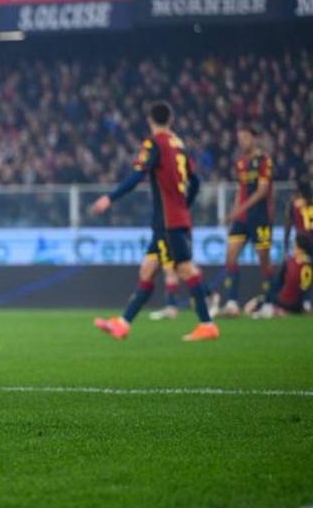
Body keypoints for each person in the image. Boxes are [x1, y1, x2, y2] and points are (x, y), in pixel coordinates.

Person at [90, 101, 218, 341]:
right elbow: (196, 182)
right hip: (171, 218)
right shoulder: (178, 145)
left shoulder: (154, 143)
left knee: (184, 268)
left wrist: (110, 197)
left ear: (150, 120)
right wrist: (184, 205)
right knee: (148, 270)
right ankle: (123, 323)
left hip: (168, 221)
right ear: (170, 119)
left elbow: (138, 174)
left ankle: (207, 323)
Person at [212, 124, 274, 317]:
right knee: (230, 256)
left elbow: (262, 191)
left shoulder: (264, 160)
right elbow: (241, 190)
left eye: (245, 138)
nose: (242, 142)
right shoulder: (240, 162)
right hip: (242, 219)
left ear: (254, 138)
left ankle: (269, 303)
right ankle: (232, 303)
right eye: (239, 139)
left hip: (260, 217)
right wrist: (232, 213)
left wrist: (240, 209)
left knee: (264, 260)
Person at [251, 177, 312, 319]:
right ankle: (306, 302)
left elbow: (288, 224)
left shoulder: (295, 204)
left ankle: (276, 303)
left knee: (293, 272)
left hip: (304, 240)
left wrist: (286, 246)